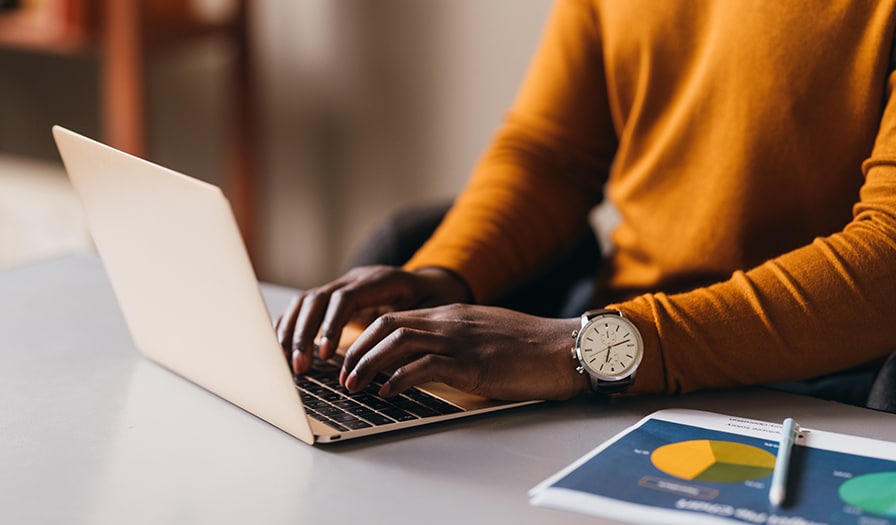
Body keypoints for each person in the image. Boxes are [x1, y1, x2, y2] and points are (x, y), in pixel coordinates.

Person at [275, 0, 896, 407]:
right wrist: (444, 275)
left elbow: (888, 256)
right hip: (602, 337)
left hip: (814, 381)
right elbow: (551, 156)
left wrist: (584, 349)